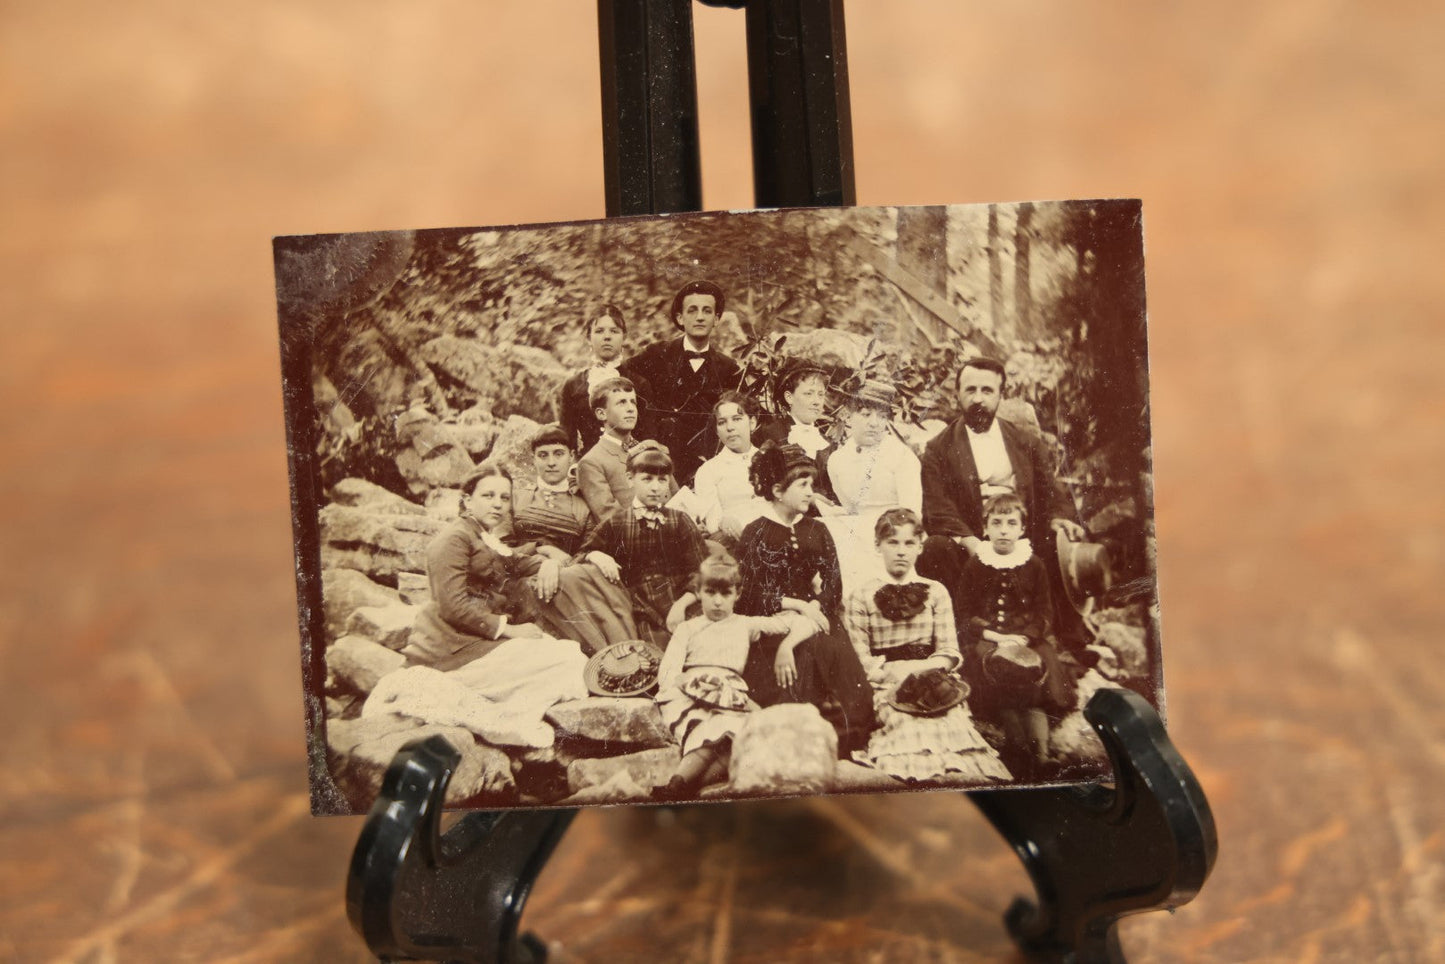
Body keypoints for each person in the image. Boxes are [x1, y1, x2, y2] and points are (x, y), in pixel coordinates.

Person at [843, 509, 1011, 784]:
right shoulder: (861, 595)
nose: (901, 551)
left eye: (909, 543)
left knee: (951, 724)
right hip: (889, 682)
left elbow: (950, 651)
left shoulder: (936, 591)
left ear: (920, 547)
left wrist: (925, 667)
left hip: (934, 677)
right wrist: (892, 672)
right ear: (878, 546)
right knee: (906, 724)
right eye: (892, 543)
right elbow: (859, 656)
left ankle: (960, 782)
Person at [404, 464, 636, 662]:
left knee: (568, 654)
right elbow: (453, 607)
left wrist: (554, 563)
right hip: (451, 644)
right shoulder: (454, 538)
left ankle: (623, 648)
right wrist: (510, 630)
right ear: (467, 500)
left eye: (504, 498)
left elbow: (521, 562)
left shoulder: (485, 537)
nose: (497, 504)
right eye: (488, 496)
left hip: (480, 635)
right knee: (567, 661)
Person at [733, 442, 876, 756]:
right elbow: (748, 593)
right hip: (771, 621)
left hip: (816, 616)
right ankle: (798, 744)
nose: (811, 492)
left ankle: (840, 741)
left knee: (847, 678)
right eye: (802, 485)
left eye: (812, 484)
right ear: (777, 490)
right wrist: (796, 604)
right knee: (796, 669)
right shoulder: (755, 532)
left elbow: (833, 582)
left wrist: (816, 606)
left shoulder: (817, 530)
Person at [917, 357, 1083, 621]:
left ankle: (1060, 632)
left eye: (987, 390)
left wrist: (1059, 518)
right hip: (971, 538)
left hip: (1022, 534)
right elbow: (937, 509)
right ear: (957, 395)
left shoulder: (1025, 441)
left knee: (1057, 537)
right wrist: (970, 542)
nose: (978, 399)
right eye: (970, 390)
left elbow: (1052, 491)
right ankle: (961, 633)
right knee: (936, 548)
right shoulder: (938, 449)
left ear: (1000, 396)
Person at [650, 550, 816, 801]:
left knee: (739, 738)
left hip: (730, 696)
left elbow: (803, 623)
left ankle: (689, 787)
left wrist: (787, 646)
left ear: (737, 595)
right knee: (710, 730)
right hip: (691, 693)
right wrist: (680, 687)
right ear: (698, 593)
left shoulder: (744, 624)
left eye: (726, 594)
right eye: (710, 593)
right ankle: (678, 782)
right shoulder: (688, 628)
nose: (717, 601)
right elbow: (670, 670)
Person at [958, 493, 1076, 780]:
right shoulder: (976, 564)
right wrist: (992, 636)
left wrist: (1023, 638)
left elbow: (1045, 613)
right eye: (996, 523)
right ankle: (1020, 751)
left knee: (1037, 681)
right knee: (1001, 685)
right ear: (985, 528)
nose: (1003, 529)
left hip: (1027, 640)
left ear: (1021, 529)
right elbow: (963, 612)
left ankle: (1042, 755)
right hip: (989, 638)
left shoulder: (1034, 564)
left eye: (1011, 523)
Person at [510, 425, 640, 644]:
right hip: (522, 578)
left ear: (572, 457)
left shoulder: (582, 504)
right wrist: (544, 554)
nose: (551, 462)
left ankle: (621, 651)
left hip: (568, 575)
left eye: (558, 454)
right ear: (533, 459)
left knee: (593, 575)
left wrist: (588, 556)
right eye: (543, 455)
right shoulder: (516, 498)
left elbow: (587, 547)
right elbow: (498, 548)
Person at [579, 446, 711, 646]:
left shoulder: (679, 519)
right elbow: (581, 553)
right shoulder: (617, 523)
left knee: (703, 649)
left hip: (685, 604)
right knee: (657, 662)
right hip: (645, 614)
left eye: (662, 480)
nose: (655, 487)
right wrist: (596, 555)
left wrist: (681, 605)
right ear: (630, 479)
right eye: (647, 479)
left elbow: (703, 570)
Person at [624, 280, 743, 487]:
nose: (699, 317)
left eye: (707, 311)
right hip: (661, 459)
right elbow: (623, 378)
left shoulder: (728, 368)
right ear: (680, 317)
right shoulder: (656, 354)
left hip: (706, 462)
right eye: (692, 310)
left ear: (716, 319)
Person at [814, 378, 923, 594]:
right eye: (865, 414)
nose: (874, 423)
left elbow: (911, 514)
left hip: (890, 534)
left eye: (881, 416)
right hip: (854, 533)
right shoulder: (837, 460)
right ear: (848, 416)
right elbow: (850, 509)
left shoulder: (901, 457)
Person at [556, 305, 655, 455]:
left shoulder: (639, 384)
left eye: (614, 331)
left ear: (624, 337)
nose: (607, 337)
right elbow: (567, 440)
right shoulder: (573, 385)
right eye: (599, 331)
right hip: (588, 466)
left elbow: (649, 437)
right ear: (588, 337)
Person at [575, 376, 673, 522]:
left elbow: (676, 497)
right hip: (635, 537)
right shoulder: (592, 462)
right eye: (621, 403)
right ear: (601, 413)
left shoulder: (651, 450)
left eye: (633, 402)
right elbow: (611, 519)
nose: (630, 409)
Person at [689, 391, 768, 543]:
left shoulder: (769, 459)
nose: (730, 427)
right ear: (717, 430)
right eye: (722, 422)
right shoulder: (709, 470)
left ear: (752, 423)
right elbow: (712, 517)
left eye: (737, 419)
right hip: (735, 540)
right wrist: (722, 521)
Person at [752, 363, 831, 458]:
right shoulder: (768, 434)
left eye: (820, 394)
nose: (816, 402)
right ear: (789, 397)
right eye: (808, 394)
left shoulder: (827, 443)